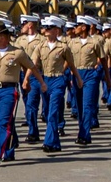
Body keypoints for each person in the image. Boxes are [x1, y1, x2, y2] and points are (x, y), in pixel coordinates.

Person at [0, 21, 47, 166]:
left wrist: (42, 83)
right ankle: (11, 143)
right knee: (3, 122)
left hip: (9, 91)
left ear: (2, 37)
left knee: (3, 122)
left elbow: (32, 67)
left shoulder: (17, 53)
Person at [32, 16, 82, 152]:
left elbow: (71, 64)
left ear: (56, 30)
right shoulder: (40, 46)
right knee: (48, 111)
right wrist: (26, 80)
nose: (46, 30)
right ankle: (55, 143)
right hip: (45, 80)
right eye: (46, 28)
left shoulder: (63, 47)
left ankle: (48, 142)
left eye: (50, 28)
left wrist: (78, 78)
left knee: (53, 112)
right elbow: (33, 65)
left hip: (58, 80)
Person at [68, 16, 111, 145]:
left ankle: (84, 134)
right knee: (80, 106)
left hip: (90, 74)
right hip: (77, 74)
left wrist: (107, 78)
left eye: (77, 26)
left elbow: (103, 60)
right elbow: (69, 60)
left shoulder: (95, 42)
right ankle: (83, 131)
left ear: (84, 27)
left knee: (87, 105)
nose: (74, 28)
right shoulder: (72, 43)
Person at [15, 14, 45, 143]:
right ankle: (32, 125)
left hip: (35, 75)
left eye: (24, 24)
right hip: (22, 74)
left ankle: (33, 132)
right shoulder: (20, 40)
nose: (22, 27)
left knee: (32, 103)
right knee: (27, 101)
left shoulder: (42, 40)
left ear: (30, 24)